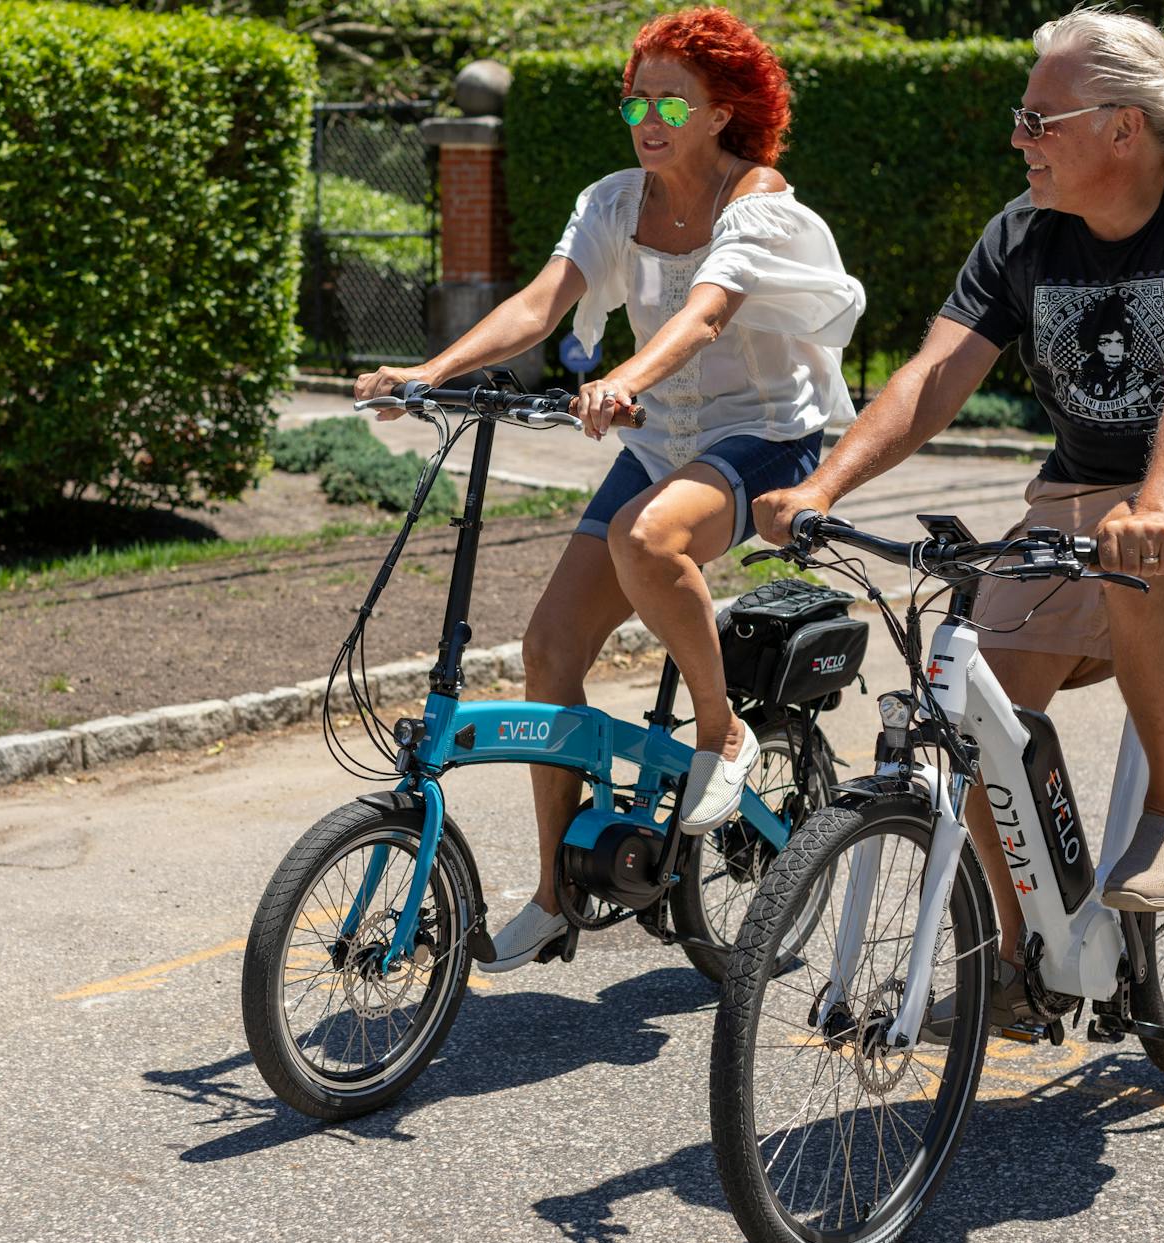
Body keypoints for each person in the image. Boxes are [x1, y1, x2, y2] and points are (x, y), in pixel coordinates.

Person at [754, 8, 1164, 1025]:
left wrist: (1157, 506)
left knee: (1147, 556)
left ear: (1122, 129)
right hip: (1085, 484)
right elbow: (932, 378)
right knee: (985, 702)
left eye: (1037, 118)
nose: (1019, 138)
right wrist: (822, 487)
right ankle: (1021, 960)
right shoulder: (1023, 233)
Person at [354, 7, 865, 973]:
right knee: (549, 650)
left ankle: (723, 736)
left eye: (675, 98)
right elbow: (544, 301)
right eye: (638, 97)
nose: (650, 115)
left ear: (723, 113)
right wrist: (431, 375)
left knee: (648, 541)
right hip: (664, 439)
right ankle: (553, 895)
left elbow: (708, 316)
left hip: (765, 436)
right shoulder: (615, 199)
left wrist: (627, 378)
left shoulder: (761, 206)